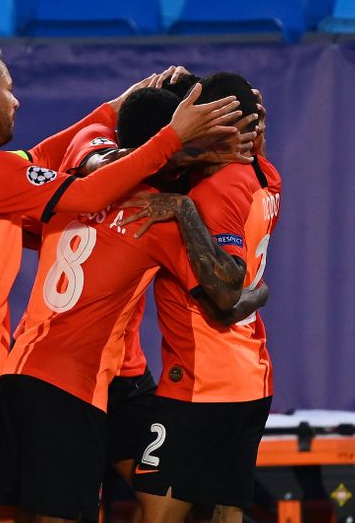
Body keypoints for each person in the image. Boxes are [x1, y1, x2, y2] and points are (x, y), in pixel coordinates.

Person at [0, 43, 242, 517]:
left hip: (18, 371)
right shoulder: (150, 220)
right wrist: (174, 140)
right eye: (9, 91)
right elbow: (227, 294)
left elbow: (49, 156)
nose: (18, 101)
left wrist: (114, 108)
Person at [124, 72, 281, 523]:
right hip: (251, 379)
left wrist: (182, 208)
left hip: (201, 384)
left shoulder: (211, 192)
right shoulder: (265, 174)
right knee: (224, 516)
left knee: (153, 512)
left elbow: (224, 296)